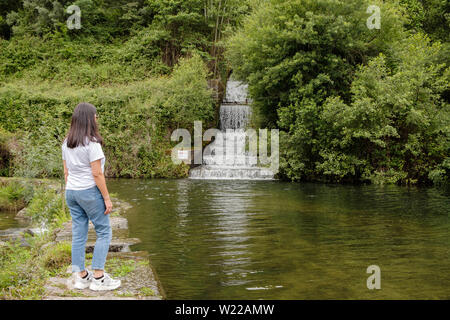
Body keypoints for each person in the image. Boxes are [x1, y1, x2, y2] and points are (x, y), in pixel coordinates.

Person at [62, 102, 121, 291]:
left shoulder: (66, 143)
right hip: (89, 191)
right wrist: (106, 197)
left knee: (78, 234)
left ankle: (81, 277)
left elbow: (66, 172)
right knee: (104, 232)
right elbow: (97, 174)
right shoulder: (92, 144)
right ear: (89, 119)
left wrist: (73, 189)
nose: (97, 119)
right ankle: (99, 278)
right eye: (96, 116)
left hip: (71, 192)